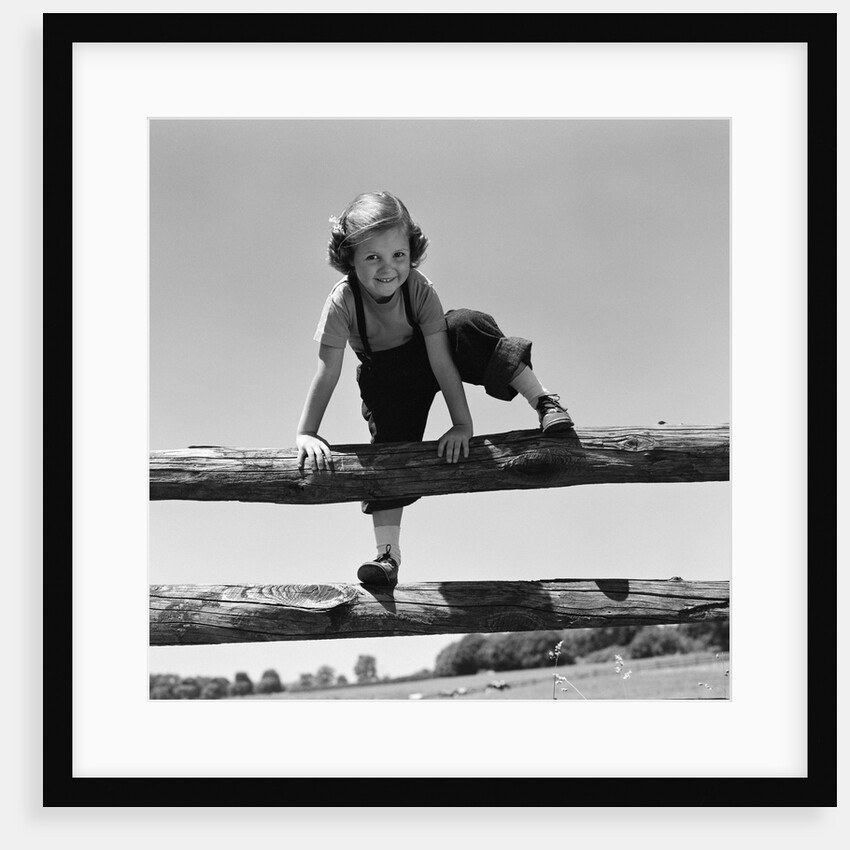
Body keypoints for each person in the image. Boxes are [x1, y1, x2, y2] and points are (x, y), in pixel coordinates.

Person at [295, 191, 574, 588]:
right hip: (387, 377)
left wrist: (462, 424)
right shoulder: (343, 301)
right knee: (388, 452)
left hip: (430, 352)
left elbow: (442, 361)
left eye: (398, 255)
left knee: (465, 325)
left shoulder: (420, 290)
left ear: (412, 252)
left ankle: (543, 400)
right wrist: (307, 431)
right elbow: (328, 369)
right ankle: (387, 554)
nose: (387, 267)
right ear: (349, 258)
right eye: (372, 257)